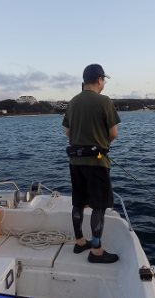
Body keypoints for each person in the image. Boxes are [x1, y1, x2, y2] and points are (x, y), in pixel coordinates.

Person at [62, 63, 121, 264]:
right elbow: (113, 133)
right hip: (97, 163)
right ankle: (96, 250)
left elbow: (67, 133)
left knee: (78, 202)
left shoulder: (72, 102)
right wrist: (102, 143)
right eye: (103, 79)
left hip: (75, 162)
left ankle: (80, 241)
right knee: (99, 206)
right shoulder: (104, 101)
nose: (103, 83)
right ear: (99, 79)